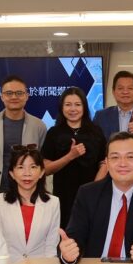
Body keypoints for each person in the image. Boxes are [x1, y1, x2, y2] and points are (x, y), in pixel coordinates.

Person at [60, 132, 133, 264]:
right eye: (115, 157)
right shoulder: (88, 193)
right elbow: (73, 238)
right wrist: (68, 254)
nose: (123, 164)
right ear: (107, 163)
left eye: (130, 157)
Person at [41, 86, 106, 227]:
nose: (73, 109)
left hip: (92, 194)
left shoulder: (96, 131)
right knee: (66, 233)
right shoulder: (54, 133)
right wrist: (70, 156)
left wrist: (94, 188)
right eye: (68, 105)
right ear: (61, 107)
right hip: (63, 196)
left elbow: (104, 163)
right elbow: (45, 169)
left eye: (77, 104)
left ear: (84, 107)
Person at [0, 75, 48, 202]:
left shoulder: (39, 126)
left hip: (28, 191)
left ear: (26, 96)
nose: (14, 97)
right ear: (2, 96)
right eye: (9, 93)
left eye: (19, 93)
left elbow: (41, 157)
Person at [0, 145, 61, 261]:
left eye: (33, 167)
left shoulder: (53, 202)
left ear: (41, 172)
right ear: (12, 173)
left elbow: (51, 244)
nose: (27, 173)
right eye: (21, 167)